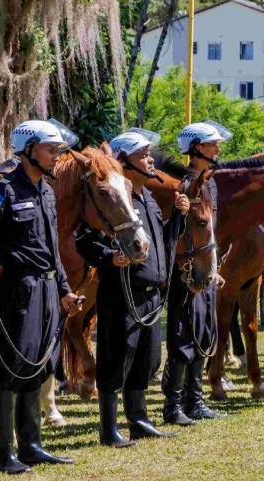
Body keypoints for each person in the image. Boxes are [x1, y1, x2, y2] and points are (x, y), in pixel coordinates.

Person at [76, 128, 190, 443]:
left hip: (152, 295)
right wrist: (109, 256)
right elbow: (85, 240)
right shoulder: (113, 198)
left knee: (146, 359)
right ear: (125, 162)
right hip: (123, 292)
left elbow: (161, 244)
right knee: (116, 357)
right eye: (143, 154)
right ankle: (109, 428)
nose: (151, 159)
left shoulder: (149, 199)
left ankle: (138, 420)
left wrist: (178, 220)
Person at [0, 120, 83, 473]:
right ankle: (3, 453)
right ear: (29, 151)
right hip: (19, 289)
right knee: (11, 368)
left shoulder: (45, 190)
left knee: (37, 367)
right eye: (50, 150)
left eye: (57, 150)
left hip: (47, 288)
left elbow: (52, 249)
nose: (56, 157)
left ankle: (31, 446)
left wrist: (65, 290)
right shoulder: (3, 190)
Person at [162, 122, 228, 424]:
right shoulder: (179, 182)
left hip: (205, 270)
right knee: (181, 335)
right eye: (212, 144)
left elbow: (209, 231)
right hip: (184, 271)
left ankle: (195, 399)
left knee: (202, 331)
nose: (217, 149)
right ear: (196, 148)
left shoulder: (210, 182)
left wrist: (213, 267)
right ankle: (173, 405)